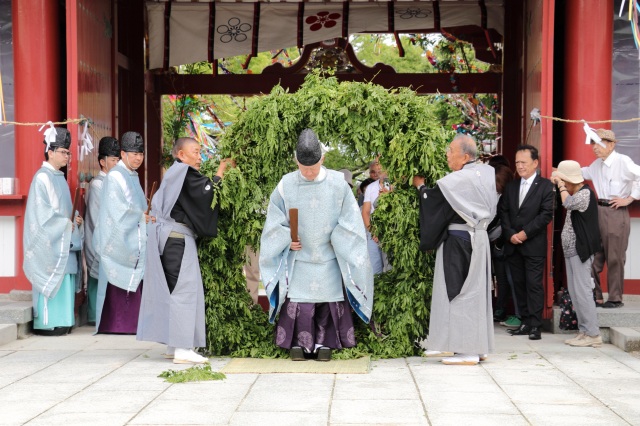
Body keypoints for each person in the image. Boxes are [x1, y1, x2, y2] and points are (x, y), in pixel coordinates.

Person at [260, 128, 373, 361]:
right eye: (304, 168)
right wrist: (286, 239)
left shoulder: (338, 184)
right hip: (298, 255)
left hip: (329, 254)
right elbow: (274, 221)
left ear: (322, 159)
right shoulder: (285, 184)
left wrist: (338, 239)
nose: (309, 173)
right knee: (299, 299)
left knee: (327, 298)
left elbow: (350, 221)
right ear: (296, 161)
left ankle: (324, 344)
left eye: (313, 167)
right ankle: (299, 345)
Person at [137, 137, 234, 364]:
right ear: (181, 154)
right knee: (184, 289)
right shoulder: (183, 172)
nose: (199, 157)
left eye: (200, 152)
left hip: (168, 237)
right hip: (176, 238)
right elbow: (208, 194)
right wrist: (221, 170)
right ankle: (182, 348)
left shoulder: (173, 173)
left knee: (174, 290)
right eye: (196, 152)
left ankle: (174, 345)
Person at [413, 134, 497, 366]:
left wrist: (421, 188)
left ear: (466, 156)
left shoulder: (458, 180)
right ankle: (475, 346)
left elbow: (435, 203)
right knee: (473, 291)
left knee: (458, 292)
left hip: (460, 240)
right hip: (477, 237)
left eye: (451, 150)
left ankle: (467, 350)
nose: (447, 154)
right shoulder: (486, 173)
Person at [23, 127, 83, 336]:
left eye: (68, 152)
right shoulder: (42, 178)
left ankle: (64, 320)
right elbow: (42, 215)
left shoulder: (59, 178)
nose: (67, 156)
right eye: (63, 152)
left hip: (63, 237)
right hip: (50, 241)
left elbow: (63, 211)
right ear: (51, 151)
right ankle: (48, 323)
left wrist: (73, 219)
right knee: (53, 278)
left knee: (65, 278)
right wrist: (65, 223)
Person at [93, 131, 149, 334]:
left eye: (141, 154)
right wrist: (141, 217)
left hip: (134, 233)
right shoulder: (116, 176)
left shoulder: (131, 175)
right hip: (119, 239)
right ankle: (119, 325)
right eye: (134, 153)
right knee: (120, 278)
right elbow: (115, 211)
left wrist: (144, 217)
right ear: (123, 154)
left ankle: (132, 323)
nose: (138, 158)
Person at [581, 129, 640, 308]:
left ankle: (615, 298)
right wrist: (557, 171)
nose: (595, 148)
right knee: (592, 256)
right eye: (593, 143)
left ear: (612, 144)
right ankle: (596, 295)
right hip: (598, 211)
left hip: (616, 212)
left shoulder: (623, 161)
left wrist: (630, 198)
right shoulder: (596, 165)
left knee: (615, 257)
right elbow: (581, 173)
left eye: (599, 143)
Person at [500, 145, 554, 340]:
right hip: (513, 243)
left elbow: (545, 215)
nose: (520, 166)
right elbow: (503, 211)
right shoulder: (512, 185)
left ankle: (535, 325)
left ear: (535, 163)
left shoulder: (546, 186)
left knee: (533, 285)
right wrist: (510, 234)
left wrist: (524, 233)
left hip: (533, 244)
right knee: (519, 284)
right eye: (517, 162)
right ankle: (524, 321)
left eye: (524, 162)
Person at [551, 161, 602, 348]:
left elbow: (567, 203)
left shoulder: (585, 193)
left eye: (565, 181)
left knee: (582, 291)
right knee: (575, 292)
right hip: (571, 251)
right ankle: (584, 331)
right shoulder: (580, 192)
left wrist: (560, 184)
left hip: (580, 251)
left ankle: (593, 334)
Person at [84, 137, 120, 324]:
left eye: (117, 159)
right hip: (99, 237)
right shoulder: (98, 185)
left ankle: (106, 316)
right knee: (97, 277)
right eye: (113, 160)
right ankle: (94, 316)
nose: (116, 163)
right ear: (102, 161)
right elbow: (99, 217)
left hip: (111, 237)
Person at [487, 156, 519, 326]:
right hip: (499, 242)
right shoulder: (500, 195)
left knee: (506, 277)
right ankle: (499, 308)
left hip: (505, 243)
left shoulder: (509, 198)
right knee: (501, 277)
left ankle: (504, 309)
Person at [362, 165, 392, 274]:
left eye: (381, 165)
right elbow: (365, 212)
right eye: (376, 167)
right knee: (374, 270)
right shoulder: (371, 187)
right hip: (373, 230)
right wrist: (373, 231)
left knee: (390, 268)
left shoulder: (394, 185)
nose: (379, 169)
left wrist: (389, 197)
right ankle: (376, 289)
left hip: (390, 232)